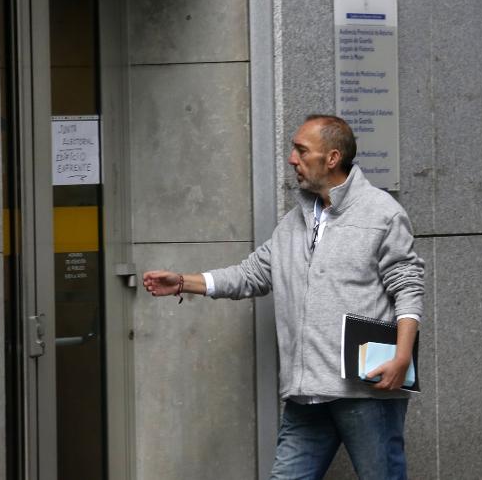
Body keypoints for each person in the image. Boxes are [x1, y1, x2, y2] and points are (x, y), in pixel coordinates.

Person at [143, 115, 424, 480]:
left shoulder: (382, 213)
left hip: (365, 391)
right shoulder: (295, 222)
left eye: (301, 150)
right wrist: (183, 282)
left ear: (332, 158)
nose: (292, 158)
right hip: (306, 393)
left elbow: (408, 285)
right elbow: (250, 275)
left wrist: (402, 356)